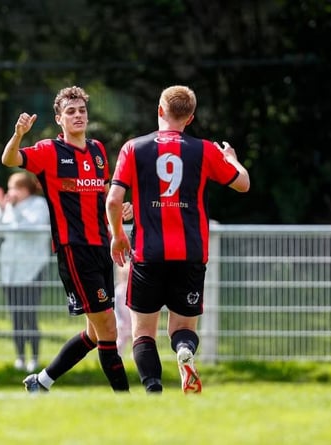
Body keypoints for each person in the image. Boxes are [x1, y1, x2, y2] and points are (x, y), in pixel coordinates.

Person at [106, 85, 250, 394]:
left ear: (159, 110)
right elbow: (243, 184)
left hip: (148, 254)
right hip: (191, 254)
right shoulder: (205, 150)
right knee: (183, 329)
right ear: (191, 117)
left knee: (143, 332)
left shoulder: (134, 148)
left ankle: (153, 390)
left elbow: (114, 200)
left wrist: (118, 235)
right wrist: (232, 159)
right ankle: (184, 350)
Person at [1, 85, 130, 393]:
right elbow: (8, 159)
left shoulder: (98, 151)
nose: (77, 116)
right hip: (75, 250)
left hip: (101, 247)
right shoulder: (49, 151)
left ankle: (41, 381)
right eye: (70, 112)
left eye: (81, 110)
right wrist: (19, 133)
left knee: (96, 333)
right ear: (59, 118)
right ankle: (125, 398)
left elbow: (101, 200)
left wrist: (118, 215)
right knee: (109, 328)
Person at [0, 171, 51, 373]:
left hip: (32, 269)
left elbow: (24, 229)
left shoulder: (38, 206)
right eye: (10, 188)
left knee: (30, 315)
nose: (11, 192)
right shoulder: (9, 206)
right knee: (15, 316)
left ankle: (34, 358)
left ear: (25, 190)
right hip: (10, 270)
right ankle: (19, 358)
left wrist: (11, 210)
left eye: (15, 188)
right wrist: (1, 209)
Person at [113, 264, 132, 358]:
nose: (126, 278)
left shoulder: (133, 290)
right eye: (124, 275)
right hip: (123, 322)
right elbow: (117, 308)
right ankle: (118, 356)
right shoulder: (119, 290)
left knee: (135, 338)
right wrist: (119, 320)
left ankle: (135, 356)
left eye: (127, 275)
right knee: (120, 340)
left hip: (132, 320)